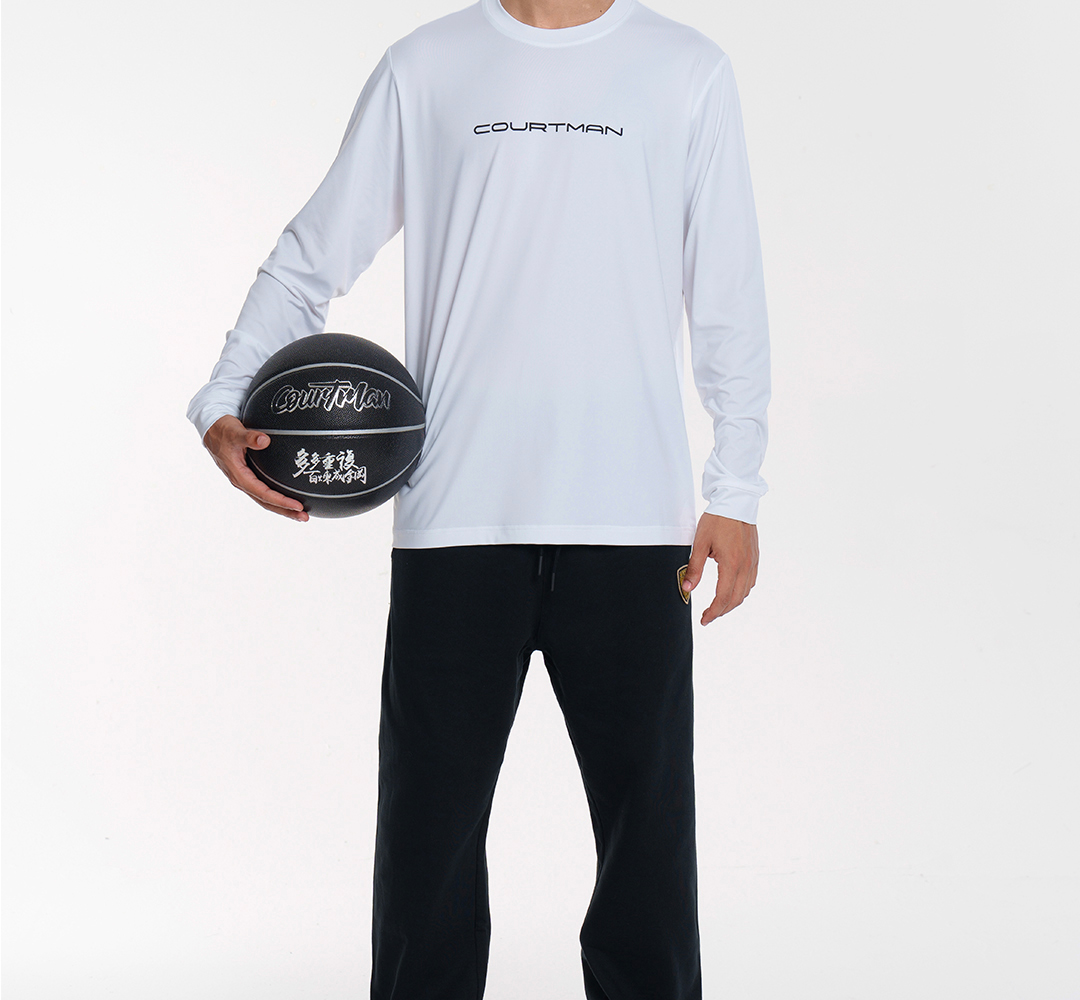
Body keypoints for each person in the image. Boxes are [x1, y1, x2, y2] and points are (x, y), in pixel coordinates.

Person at [187, 0, 771, 995]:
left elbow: (728, 294)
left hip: (633, 523)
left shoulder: (686, 71)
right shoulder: (427, 67)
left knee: (649, 859)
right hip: (454, 521)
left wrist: (738, 486)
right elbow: (308, 260)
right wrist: (221, 400)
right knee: (427, 858)